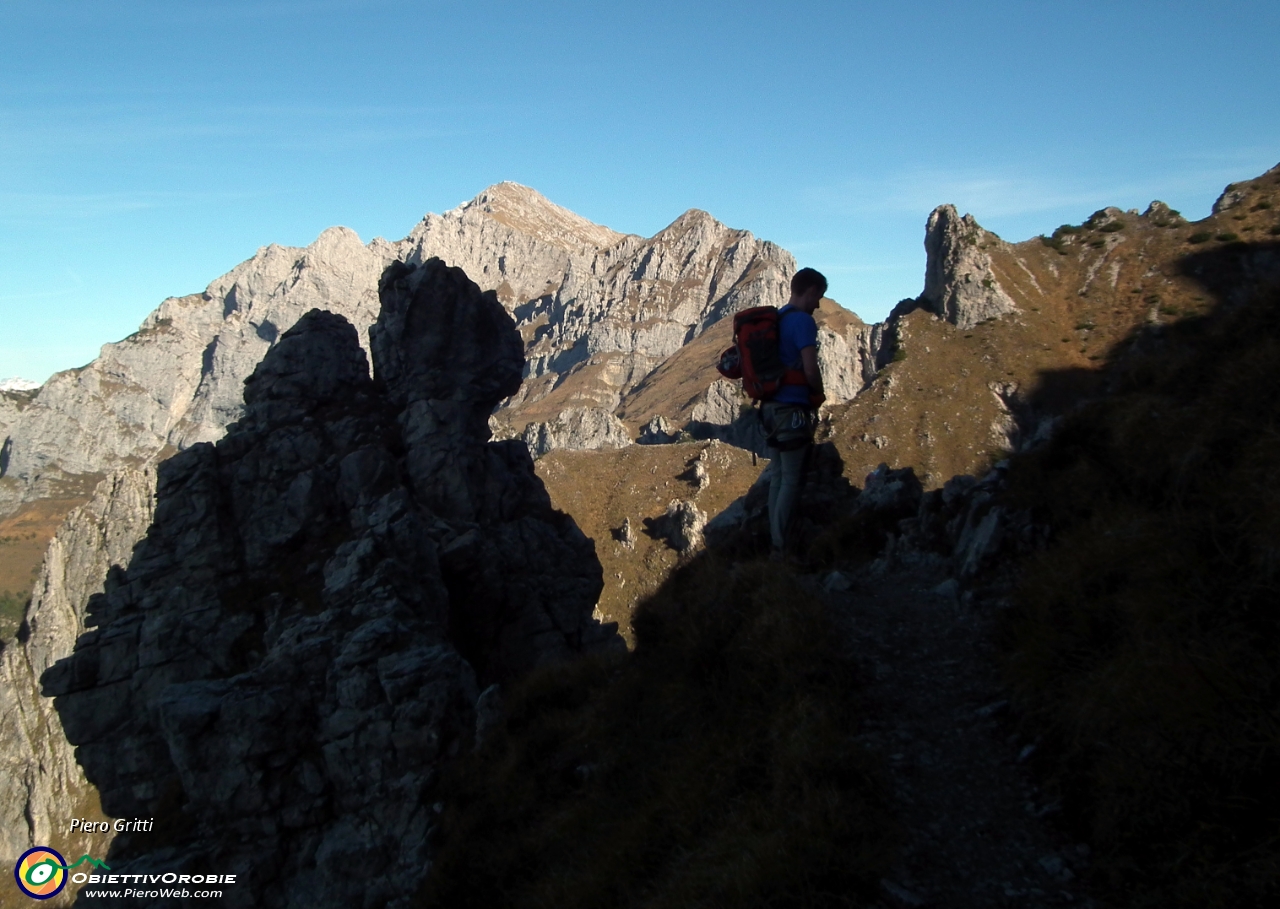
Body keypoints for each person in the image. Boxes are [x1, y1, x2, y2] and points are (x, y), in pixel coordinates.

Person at [763, 267, 827, 559]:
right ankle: (781, 546)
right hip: (792, 409)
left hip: (770, 409)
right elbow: (810, 369)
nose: (819, 304)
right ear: (811, 290)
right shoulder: (803, 322)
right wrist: (818, 393)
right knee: (790, 478)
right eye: (819, 297)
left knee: (778, 476)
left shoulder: (777, 318)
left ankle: (774, 538)